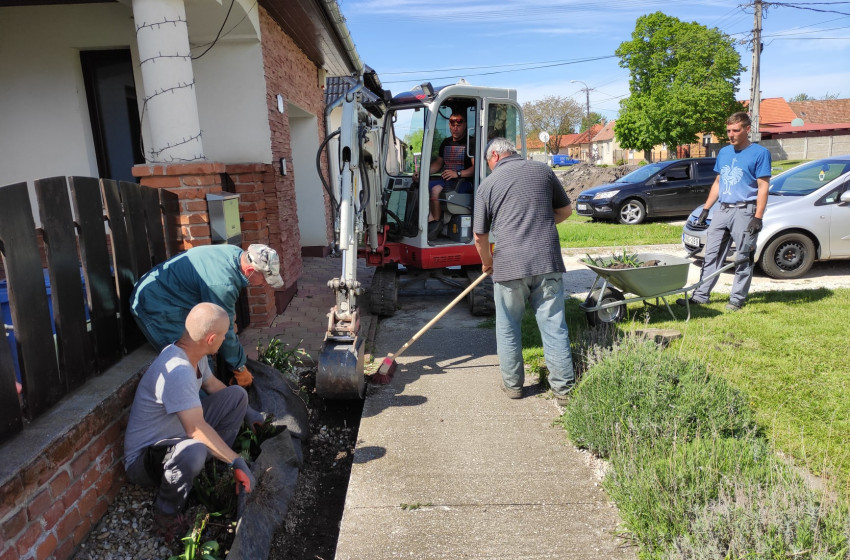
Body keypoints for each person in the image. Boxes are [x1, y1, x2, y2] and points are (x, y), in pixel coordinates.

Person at [123, 303, 264, 541]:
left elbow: (212, 386)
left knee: (237, 396)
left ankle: (213, 467)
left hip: (180, 434)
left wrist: (249, 412)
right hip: (146, 459)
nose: (228, 336)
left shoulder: (195, 355)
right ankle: (166, 515)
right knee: (195, 449)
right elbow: (196, 430)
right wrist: (237, 460)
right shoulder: (178, 370)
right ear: (211, 339)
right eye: (225, 334)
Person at [472, 137, 575, 405]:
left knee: (508, 326)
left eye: (488, 161)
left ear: (495, 156)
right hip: (547, 261)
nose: (490, 166)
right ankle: (564, 390)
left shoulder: (487, 185)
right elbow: (566, 211)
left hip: (509, 265)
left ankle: (513, 387)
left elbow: (479, 236)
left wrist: (487, 262)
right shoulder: (543, 170)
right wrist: (539, 222)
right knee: (554, 325)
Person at [131, 243, 284, 387]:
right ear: (250, 270)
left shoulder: (237, 254)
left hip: (169, 295)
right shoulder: (223, 284)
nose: (264, 284)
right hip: (154, 303)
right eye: (264, 279)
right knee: (195, 363)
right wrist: (239, 367)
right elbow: (225, 330)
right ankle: (202, 405)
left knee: (204, 360)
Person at [677, 112, 771, 311]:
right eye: (728, 130)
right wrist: (706, 209)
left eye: (735, 130)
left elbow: (763, 187)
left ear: (747, 129)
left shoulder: (760, 153)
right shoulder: (724, 152)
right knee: (710, 255)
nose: (731, 135)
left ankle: (737, 299)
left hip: (745, 211)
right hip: (722, 210)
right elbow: (718, 182)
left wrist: (758, 217)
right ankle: (700, 296)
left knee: (743, 256)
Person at [428, 111, 474, 238]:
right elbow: (438, 163)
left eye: (459, 125)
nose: (455, 128)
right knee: (421, 185)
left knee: (435, 190)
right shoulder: (446, 143)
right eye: (452, 124)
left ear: (465, 125)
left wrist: (457, 173)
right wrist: (422, 173)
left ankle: (435, 224)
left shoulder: (471, 142)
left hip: (464, 182)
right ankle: (427, 220)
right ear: (449, 125)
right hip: (447, 180)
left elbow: (475, 168)